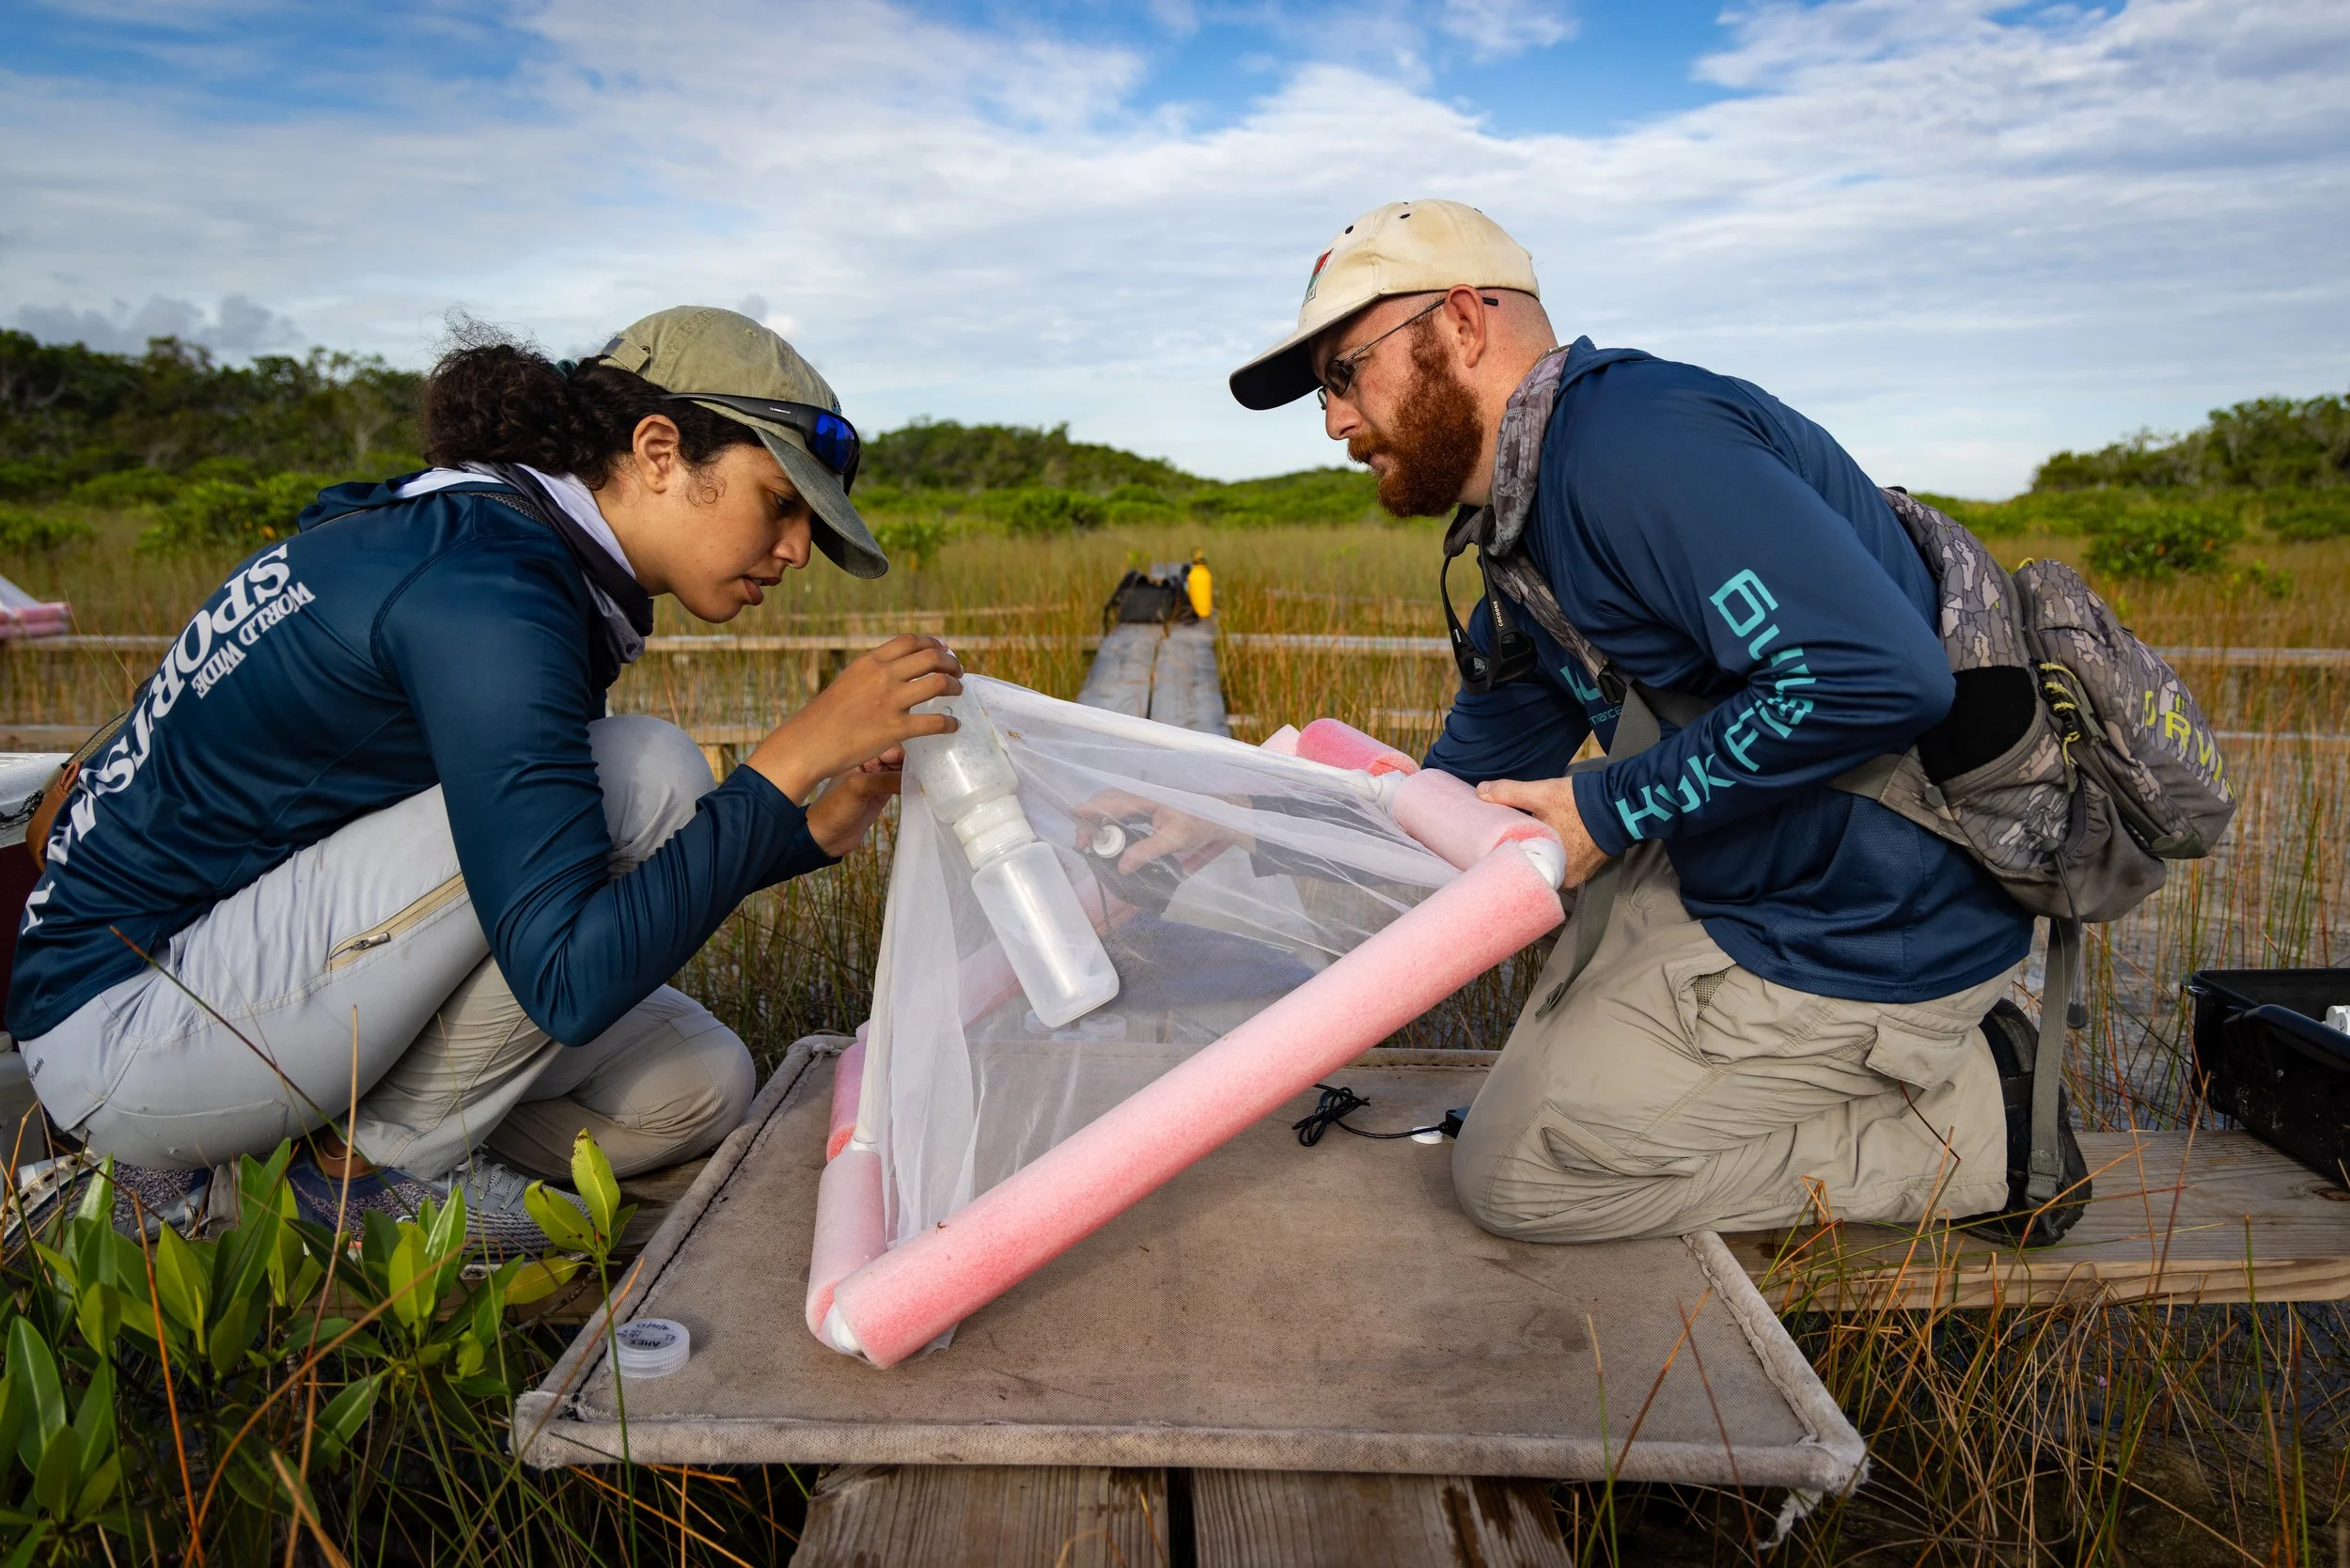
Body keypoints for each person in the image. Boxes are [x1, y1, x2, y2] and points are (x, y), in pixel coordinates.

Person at [8, 306, 962, 1248]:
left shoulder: (485, 534)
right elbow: (564, 978)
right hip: (129, 1028)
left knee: (697, 1084)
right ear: (659, 451)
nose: (795, 550)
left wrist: (815, 827)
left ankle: (261, 1180)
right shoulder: (487, 588)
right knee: (646, 770)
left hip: (248, 976)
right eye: (780, 502)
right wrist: (788, 760)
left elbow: (536, 875)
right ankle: (349, 1179)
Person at [1226, 201, 2086, 1245]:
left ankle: (1986, 1127)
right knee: (1531, 1089)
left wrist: (1612, 809)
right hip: (1753, 880)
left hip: (1868, 929)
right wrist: (1228, 820)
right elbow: (1455, 789)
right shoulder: (1525, 529)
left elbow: (1872, 678)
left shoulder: (1632, 445)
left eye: (1345, 374)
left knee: (1516, 1179)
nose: (1333, 422)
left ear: (1460, 322)